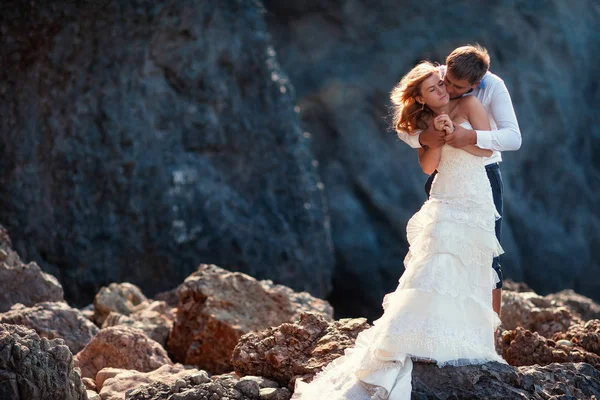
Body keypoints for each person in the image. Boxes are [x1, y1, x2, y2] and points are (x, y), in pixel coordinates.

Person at [291, 61, 505, 400]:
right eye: (433, 88)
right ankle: (421, 335)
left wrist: (459, 136)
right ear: (420, 100)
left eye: (440, 83)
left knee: (473, 261)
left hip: (476, 192)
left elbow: (487, 148)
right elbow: (428, 166)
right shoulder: (425, 124)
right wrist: (436, 135)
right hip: (446, 192)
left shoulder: (468, 103)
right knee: (434, 259)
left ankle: (475, 339)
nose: (442, 89)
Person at [396, 44, 521, 317]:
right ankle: (439, 319)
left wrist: (470, 137)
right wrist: (424, 138)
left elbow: (513, 138)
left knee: (487, 252)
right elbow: (407, 123)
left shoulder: (491, 89)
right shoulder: (434, 81)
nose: (447, 90)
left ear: (475, 84)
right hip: (445, 177)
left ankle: (490, 332)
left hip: (482, 175)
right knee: (439, 248)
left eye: (456, 86)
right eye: (446, 81)